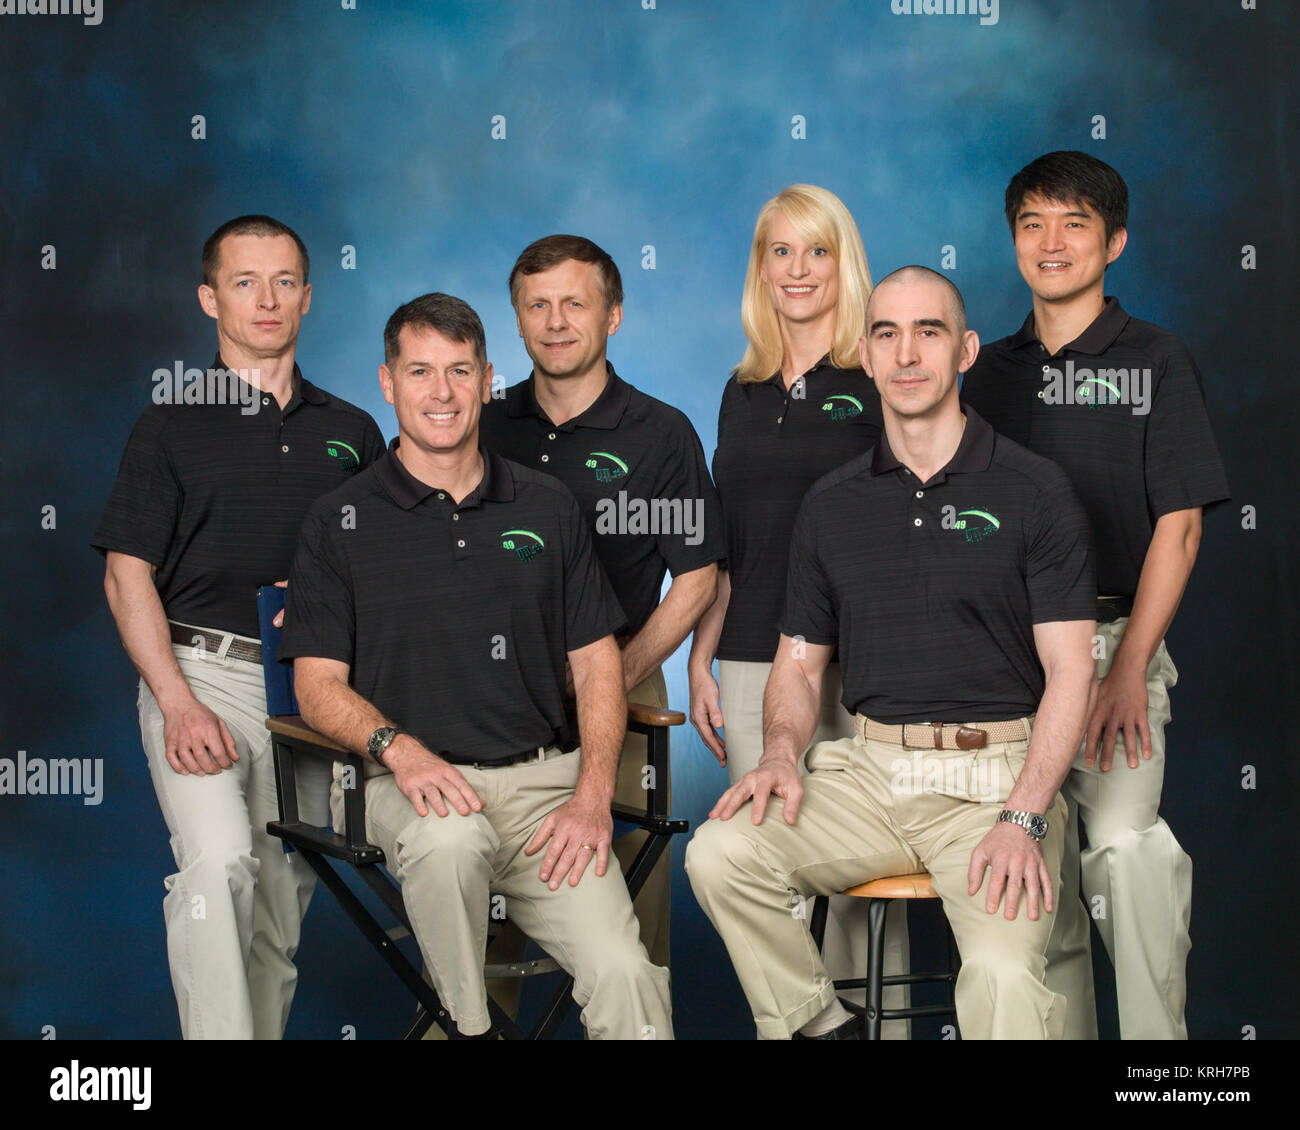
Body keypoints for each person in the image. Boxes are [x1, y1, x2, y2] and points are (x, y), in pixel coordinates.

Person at [685, 267, 1098, 1039]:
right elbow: (801, 665)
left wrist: (1026, 817)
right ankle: (824, 1027)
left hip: (992, 784)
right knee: (719, 856)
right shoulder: (832, 504)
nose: (907, 353)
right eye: (886, 333)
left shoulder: (1035, 491)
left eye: (929, 331)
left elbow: (1072, 671)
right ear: (867, 359)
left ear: (966, 349)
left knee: (1005, 976)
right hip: (866, 777)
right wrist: (778, 753)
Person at [280, 292, 673, 1039]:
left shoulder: (549, 506)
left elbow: (596, 667)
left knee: (628, 976)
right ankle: (470, 1028)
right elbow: (316, 686)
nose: (442, 392)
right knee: (451, 840)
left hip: (543, 794)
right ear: (388, 382)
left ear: (488, 381)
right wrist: (403, 751)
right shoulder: (340, 520)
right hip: (405, 787)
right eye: (420, 371)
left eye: (460, 371)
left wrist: (592, 796)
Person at [92, 215, 386, 1038]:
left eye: (284, 281)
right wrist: (177, 703)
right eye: (245, 281)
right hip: (201, 674)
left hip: (311, 691)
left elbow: (390, 571)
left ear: (308, 298)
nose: (267, 299)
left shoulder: (353, 432)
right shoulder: (171, 425)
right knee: (219, 865)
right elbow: (125, 575)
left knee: (279, 903)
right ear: (208, 298)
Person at [962, 151, 1230, 1039]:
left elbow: (1179, 530)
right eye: (1033, 223)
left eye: (1074, 224)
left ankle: (1163, 1062)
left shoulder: (1155, 359)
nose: (1051, 242)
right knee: (1043, 889)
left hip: (1117, 648)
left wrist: (1128, 672)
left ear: (1114, 241)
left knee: (1124, 850)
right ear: (1012, 242)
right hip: (1010, 668)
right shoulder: (988, 375)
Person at [687, 184, 910, 1030]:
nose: (798, 269)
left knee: (859, 884)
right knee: (760, 871)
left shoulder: (880, 375)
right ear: (760, 269)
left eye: (817, 250)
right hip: (752, 658)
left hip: (861, 664)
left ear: (843, 262)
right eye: (780, 251)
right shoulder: (740, 392)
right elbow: (735, 545)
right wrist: (701, 655)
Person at [480, 235, 725, 971]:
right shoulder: (480, 423)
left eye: (575, 304)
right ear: (518, 321)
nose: (556, 322)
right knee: (484, 917)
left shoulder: (662, 434)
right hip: (492, 695)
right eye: (538, 305)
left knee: (628, 907)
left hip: (625, 691)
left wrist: (616, 673)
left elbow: (698, 577)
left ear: (612, 315)